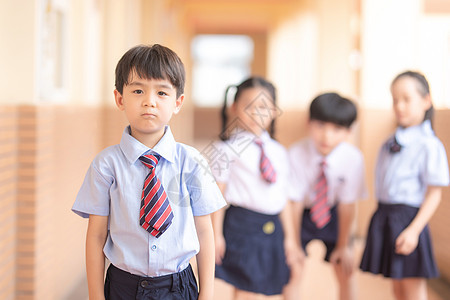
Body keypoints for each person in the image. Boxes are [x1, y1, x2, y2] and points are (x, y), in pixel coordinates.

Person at [72, 44, 226, 300]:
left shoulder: (191, 162)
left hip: (178, 286)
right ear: (120, 98)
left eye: (162, 93)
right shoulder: (106, 165)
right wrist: (95, 296)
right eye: (138, 90)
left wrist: (207, 294)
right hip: (123, 286)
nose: (149, 101)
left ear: (178, 102)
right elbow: (96, 234)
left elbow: (204, 231)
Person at [207, 76, 301, 299]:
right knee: (246, 289)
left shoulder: (279, 151)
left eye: (264, 107)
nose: (256, 113)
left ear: (274, 111)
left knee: (278, 284)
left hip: (272, 227)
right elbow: (217, 194)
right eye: (249, 106)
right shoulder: (224, 149)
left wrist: (290, 238)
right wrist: (216, 235)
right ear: (234, 108)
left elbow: (283, 197)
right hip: (242, 226)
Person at [360, 71, 449, 299]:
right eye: (395, 99)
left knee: (412, 290)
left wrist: (414, 230)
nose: (399, 106)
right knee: (398, 288)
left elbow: (434, 194)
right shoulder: (390, 141)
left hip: (409, 220)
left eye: (407, 99)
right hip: (386, 217)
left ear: (426, 101)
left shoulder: (428, 145)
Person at [284, 92, 367, 300]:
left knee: (345, 270)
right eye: (320, 126)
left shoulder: (353, 158)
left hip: (334, 212)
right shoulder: (295, 153)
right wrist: (293, 243)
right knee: (293, 269)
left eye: (337, 129)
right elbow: (294, 202)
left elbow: (347, 205)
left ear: (349, 131)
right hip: (302, 213)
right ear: (308, 123)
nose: (327, 136)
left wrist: (344, 246)